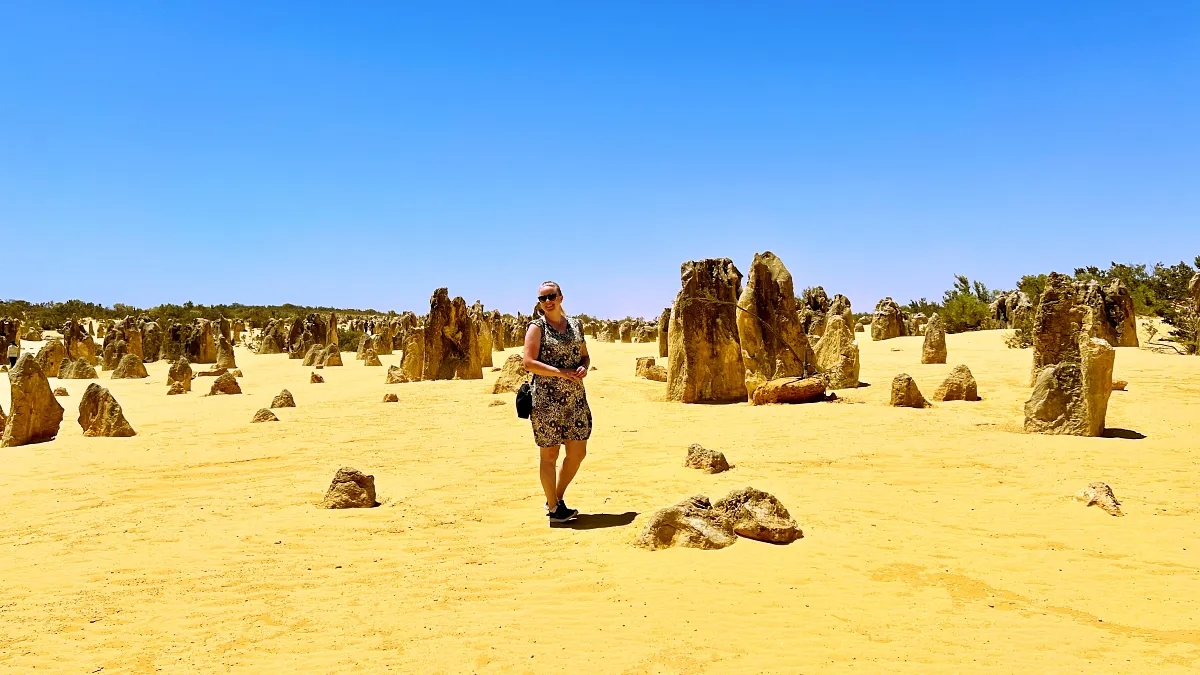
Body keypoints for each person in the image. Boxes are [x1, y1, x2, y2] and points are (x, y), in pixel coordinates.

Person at [522, 281, 592, 524]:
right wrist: (561, 372)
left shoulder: (575, 325)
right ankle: (553, 508)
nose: (547, 301)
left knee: (577, 452)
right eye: (542, 298)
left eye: (551, 296)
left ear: (561, 297)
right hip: (546, 399)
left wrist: (584, 366)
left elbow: (584, 354)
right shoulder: (537, 327)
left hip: (575, 398)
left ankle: (556, 497)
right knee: (549, 454)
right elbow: (529, 362)